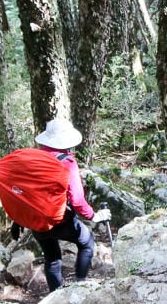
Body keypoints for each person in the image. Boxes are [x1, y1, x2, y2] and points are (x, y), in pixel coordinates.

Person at [10, 118, 111, 290]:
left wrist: (18, 219)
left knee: (52, 258)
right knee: (87, 242)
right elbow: (77, 200)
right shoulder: (67, 163)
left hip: (37, 222)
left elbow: (23, 193)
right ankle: (80, 286)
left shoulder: (32, 161)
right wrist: (94, 216)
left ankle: (54, 296)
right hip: (61, 220)